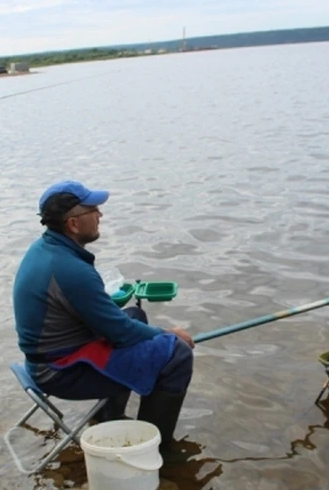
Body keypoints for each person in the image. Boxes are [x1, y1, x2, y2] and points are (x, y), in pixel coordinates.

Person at [12, 180, 195, 446]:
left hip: (49, 356)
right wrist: (169, 334)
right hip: (57, 371)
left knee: (135, 315)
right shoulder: (70, 270)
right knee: (176, 355)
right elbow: (120, 332)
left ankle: (109, 417)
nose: (100, 215)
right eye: (93, 210)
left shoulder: (45, 249)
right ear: (73, 224)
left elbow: (118, 323)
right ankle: (154, 447)